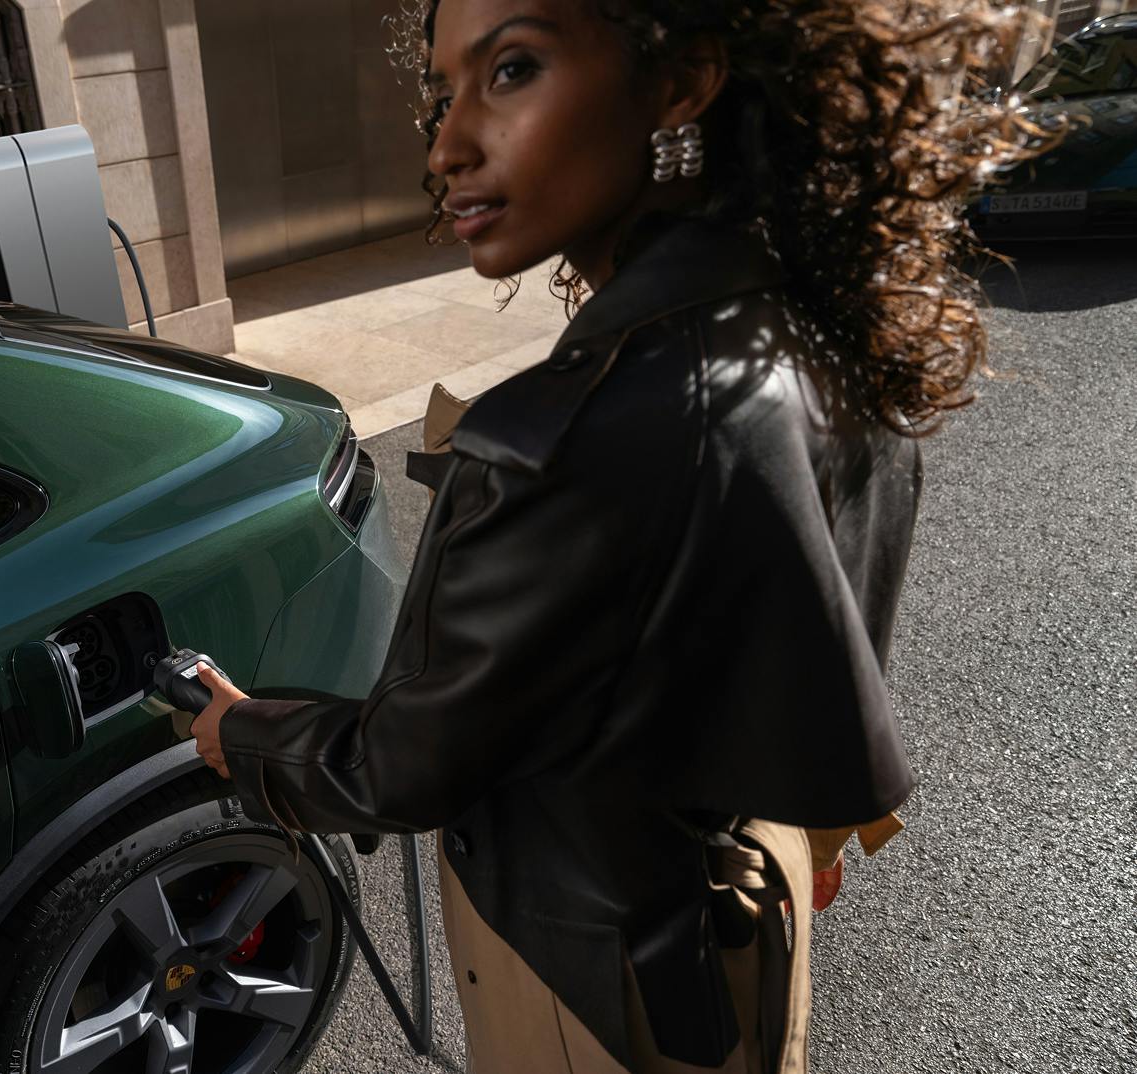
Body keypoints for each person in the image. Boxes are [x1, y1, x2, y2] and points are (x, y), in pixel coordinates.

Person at [183, 2, 1052, 1071]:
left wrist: (246, 734)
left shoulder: (583, 435)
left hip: (591, 986)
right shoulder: (806, 324)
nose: (447, 145)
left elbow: (402, 770)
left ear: (684, 79)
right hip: (743, 915)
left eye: (512, 69)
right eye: (444, 91)